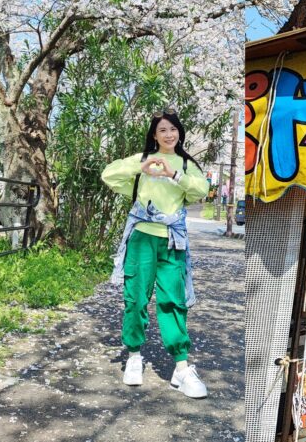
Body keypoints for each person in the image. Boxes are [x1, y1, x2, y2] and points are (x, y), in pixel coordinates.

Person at [101, 112, 211, 398]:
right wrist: (142, 166)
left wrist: (173, 174)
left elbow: (202, 190)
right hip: (142, 237)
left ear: (180, 133)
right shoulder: (144, 158)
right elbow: (109, 174)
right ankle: (134, 355)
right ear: (154, 134)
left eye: (173, 129)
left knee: (173, 300)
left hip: (173, 240)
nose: (168, 134)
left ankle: (181, 368)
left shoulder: (186, 165)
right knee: (135, 296)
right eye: (162, 130)